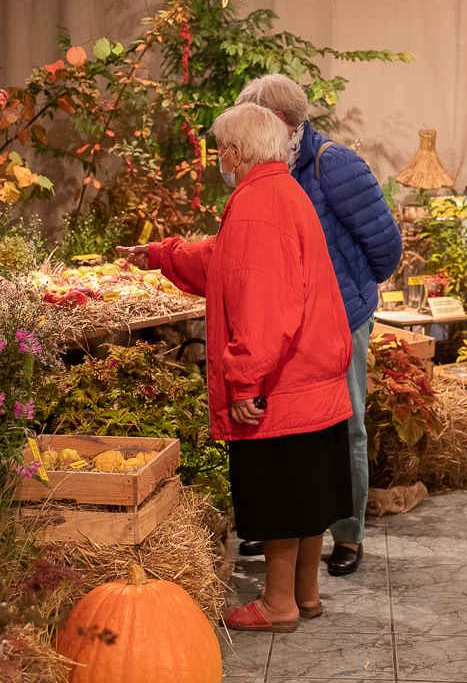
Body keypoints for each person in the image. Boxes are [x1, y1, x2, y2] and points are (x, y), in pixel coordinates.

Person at [117, 102, 353, 632]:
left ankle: (277, 605)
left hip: (280, 383)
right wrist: (159, 254)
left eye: (220, 146)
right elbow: (224, 261)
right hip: (311, 379)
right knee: (309, 494)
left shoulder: (256, 204)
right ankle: (306, 595)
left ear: (236, 150)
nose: (217, 156)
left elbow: (265, 302)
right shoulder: (280, 191)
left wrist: (244, 378)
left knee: (280, 496)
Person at [234, 74, 401, 576]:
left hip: (339, 322)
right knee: (288, 433)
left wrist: (341, 296)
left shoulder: (335, 164)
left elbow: (385, 246)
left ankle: (347, 534)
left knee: (346, 428)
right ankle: (286, 533)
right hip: (284, 324)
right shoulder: (270, 163)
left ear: (280, 122)